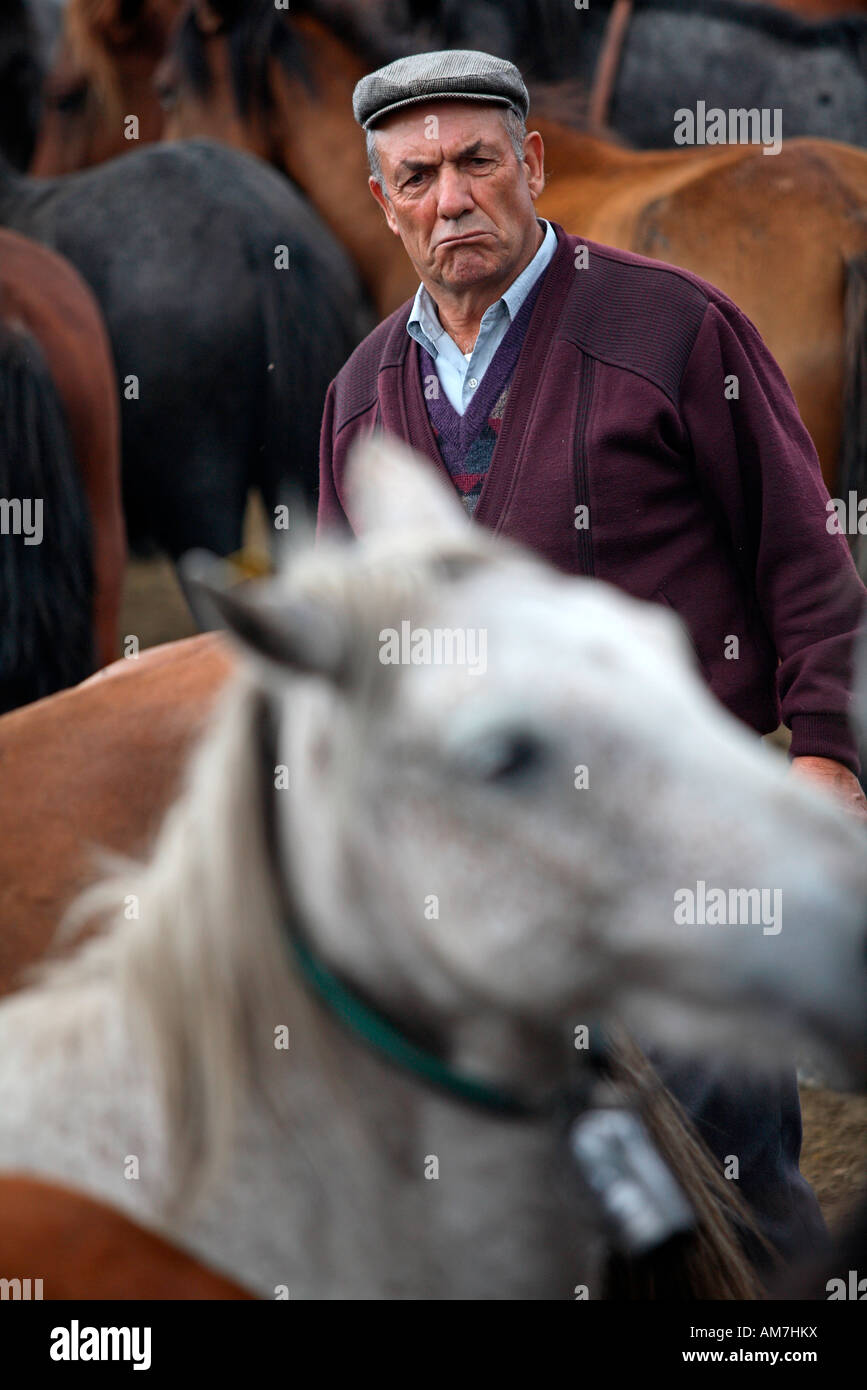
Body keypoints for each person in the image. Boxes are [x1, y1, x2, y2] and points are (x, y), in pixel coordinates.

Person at [316, 48, 867, 1272]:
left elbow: (805, 558)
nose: (451, 199)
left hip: (683, 844)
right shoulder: (359, 399)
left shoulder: (674, 326)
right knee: (552, 1216)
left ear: (535, 165)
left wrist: (830, 746)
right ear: (381, 200)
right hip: (485, 887)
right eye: (417, 176)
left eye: (476, 162)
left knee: (740, 1188)